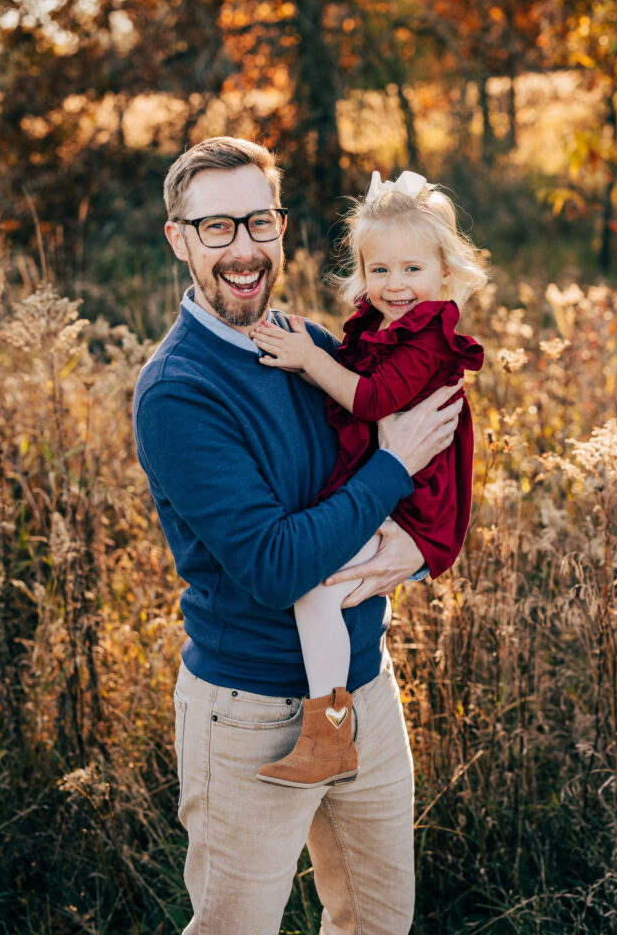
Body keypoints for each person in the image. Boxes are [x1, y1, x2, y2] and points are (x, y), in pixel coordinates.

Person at [133, 136, 466, 935]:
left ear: (281, 229)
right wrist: (392, 465)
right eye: (216, 228)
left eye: (259, 222)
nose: (244, 250)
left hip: (364, 687)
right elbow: (278, 565)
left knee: (378, 923)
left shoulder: (312, 346)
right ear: (178, 238)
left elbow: (428, 450)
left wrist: (423, 547)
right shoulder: (177, 394)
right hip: (250, 713)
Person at [250, 169, 486, 789]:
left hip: (412, 500)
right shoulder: (380, 327)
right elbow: (353, 374)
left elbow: (374, 399)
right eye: (379, 270)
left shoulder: (430, 336)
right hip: (392, 484)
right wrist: (313, 348)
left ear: (444, 274)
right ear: (361, 272)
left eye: (412, 269)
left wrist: (310, 358)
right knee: (328, 584)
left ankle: (328, 737)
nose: (395, 284)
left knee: (316, 589)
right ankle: (333, 726)